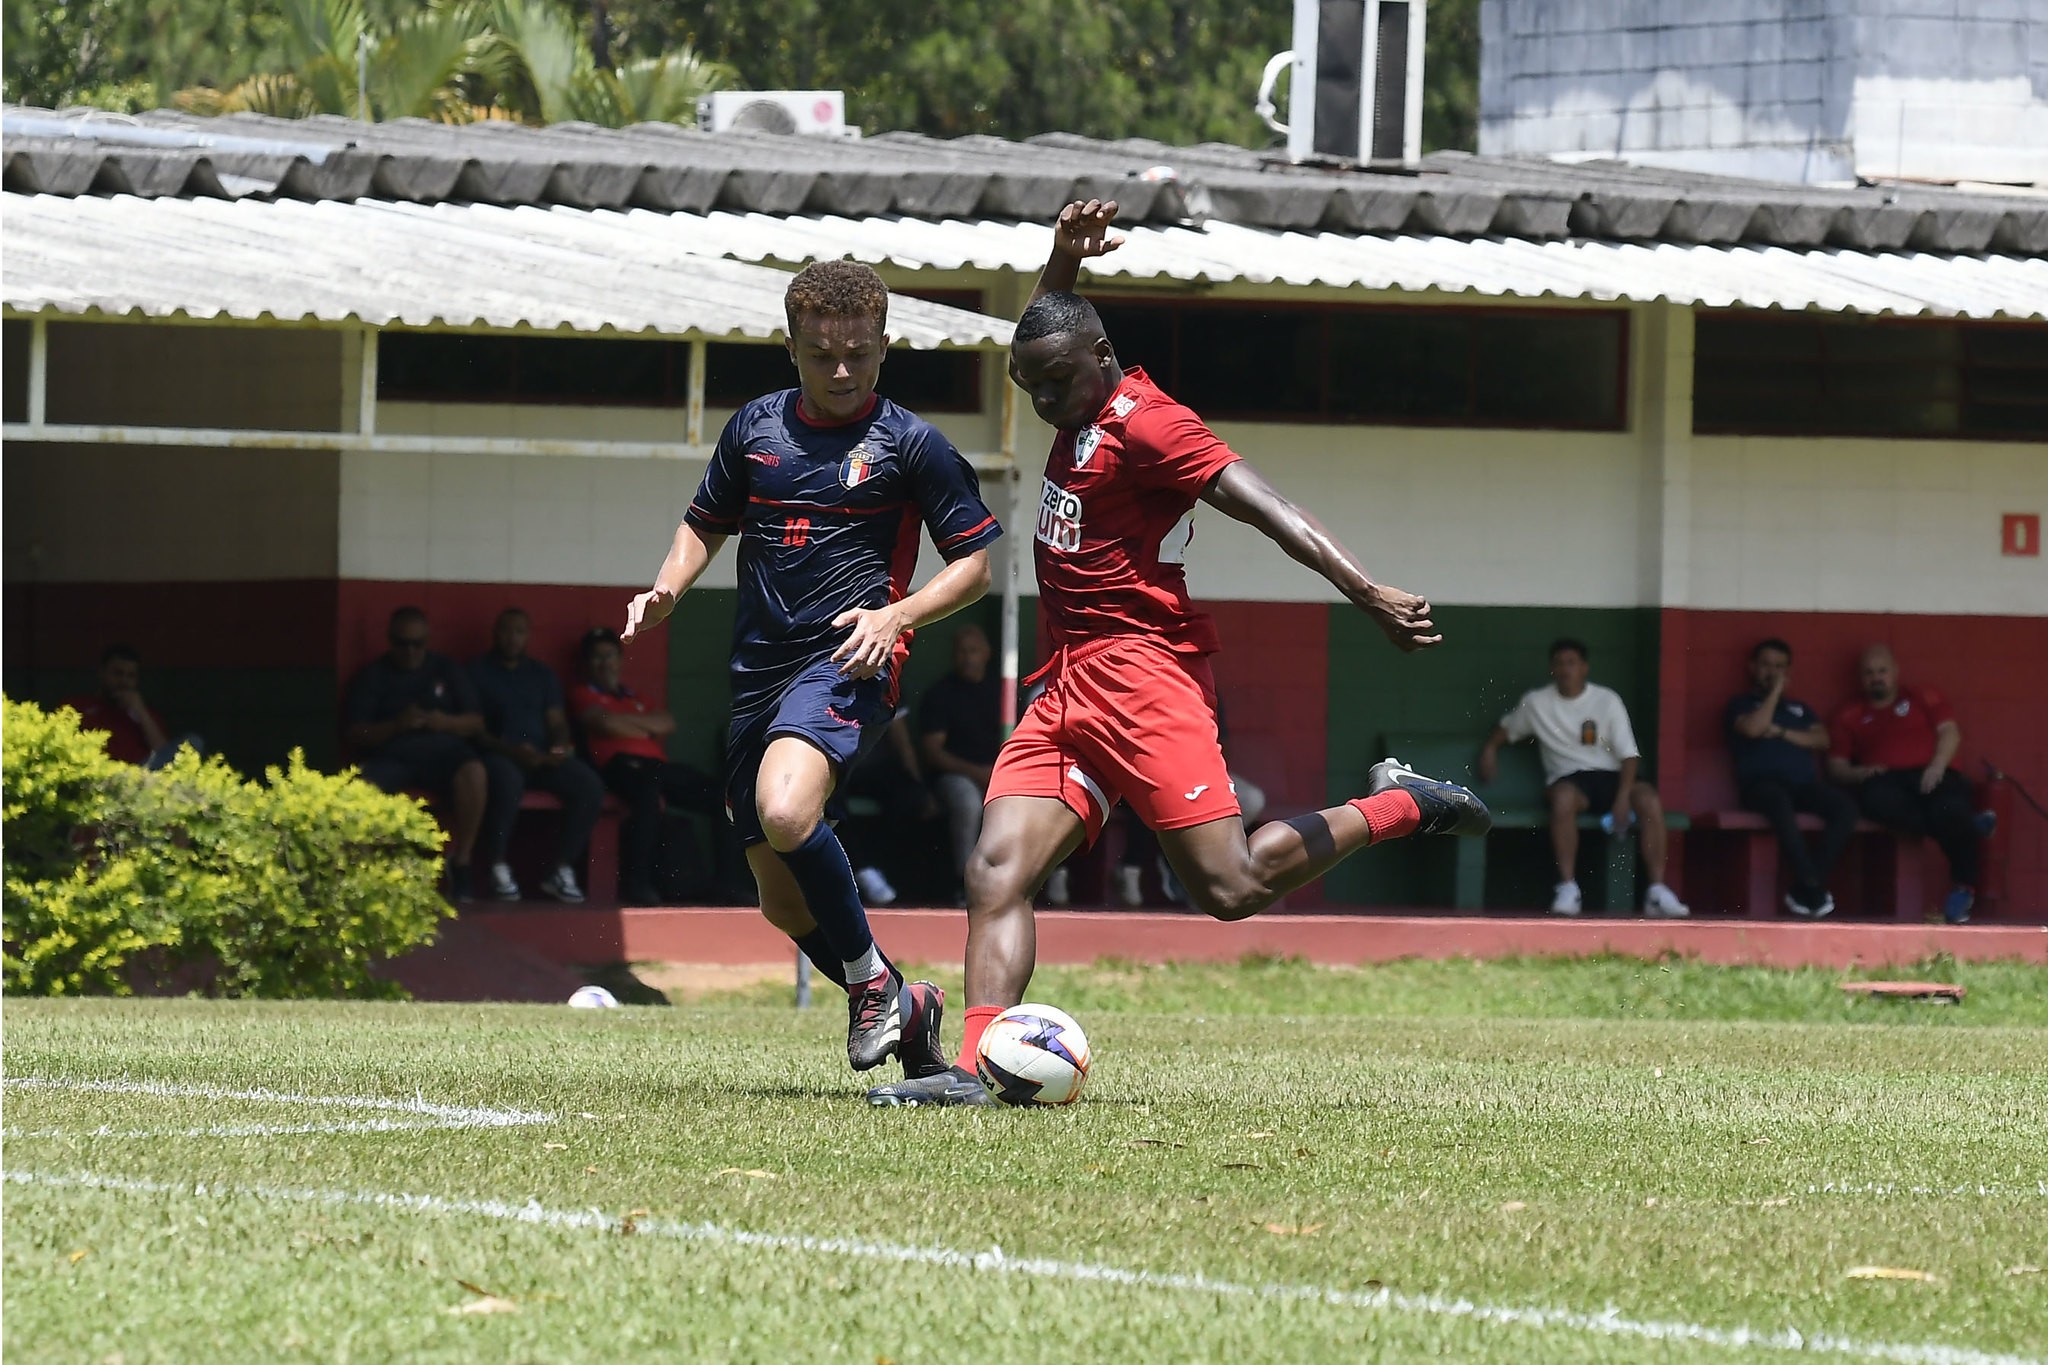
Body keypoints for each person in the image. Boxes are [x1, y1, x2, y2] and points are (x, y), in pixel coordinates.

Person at [868, 200, 1489, 1108]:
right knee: (995, 868)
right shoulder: (1071, 376)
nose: (1041, 405)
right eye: (1030, 386)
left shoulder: (1151, 425)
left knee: (1229, 885)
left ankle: (1401, 803)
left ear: (1101, 362)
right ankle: (974, 1069)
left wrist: (1368, 592)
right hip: (1067, 680)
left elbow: (1267, 504)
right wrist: (1061, 263)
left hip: (1144, 674)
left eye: (1051, 387)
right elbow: (1052, 332)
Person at [620, 260, 1003, 1078]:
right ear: (789, 347)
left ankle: (868, 986)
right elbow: (703, 524)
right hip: (757, 674)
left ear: (884, 347)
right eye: (823, 353)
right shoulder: (754, 429)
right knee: (780, 899)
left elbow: (975, 564)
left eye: (859, 354)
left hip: (849, 659)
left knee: (789, 811)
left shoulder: (910, 443)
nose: (841, 370)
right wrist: (667, 586)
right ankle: (904, 1002)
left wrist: (896, 615)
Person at [1477, 638, 1689, 918]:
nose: (1566, 669)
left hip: (1611, 777)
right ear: (1552, 669)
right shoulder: (1537, 702)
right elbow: (1506, 729)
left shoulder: (1607, 699)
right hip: (1569, 780)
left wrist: (1623, 799)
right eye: (1560, 663)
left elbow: (1629, 756)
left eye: (1572, 663)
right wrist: (1491, 749)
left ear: (1584, 668)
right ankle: (1568, 888)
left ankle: (1657, 892)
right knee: (1562, 799)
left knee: (1649, 799)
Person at [1827, 644, 1995, 924]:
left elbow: (1950, 732)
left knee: (1949, 809)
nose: (1876, 677)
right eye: (1869, 673)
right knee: (1880, 803)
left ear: (1895, 672)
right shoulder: (1848, 715)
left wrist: (1937, 766)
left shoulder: (1922, 696)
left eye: (1882, 671)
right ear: (1860, 678)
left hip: (1934, 774)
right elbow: (1836, 768)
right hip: (1885, 782)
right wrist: (1860, 773)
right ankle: (1970, 824)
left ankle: (1964, 888)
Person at [571, 628, 739, 906]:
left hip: (655, 767)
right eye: (597, 657)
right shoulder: (582, 693)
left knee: (721, 796)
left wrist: (623, 723)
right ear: (587, 663)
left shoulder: (633, 697)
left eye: (609, 656)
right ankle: (639, 886)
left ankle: (728, 886)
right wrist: (641, 727)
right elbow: (604, 724)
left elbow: (666, 723)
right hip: (616, 768)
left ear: (620, 660)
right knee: (647, 795)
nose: (604, 663)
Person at [343, 606, 492, 901]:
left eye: (418, 643)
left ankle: (461, 862)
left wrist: (442, 722)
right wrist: (397, 725)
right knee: (359, 790)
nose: (410, 651)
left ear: (428, 640)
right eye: (402, 643)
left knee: (475, 772)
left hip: (444, 754)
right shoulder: (374, 675)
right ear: (390, 640)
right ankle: (364, 880)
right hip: (393, 757)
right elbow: (354, 732)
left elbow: (476, 722)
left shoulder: (446, 669)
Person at [467, 607, 604, 904]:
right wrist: (512, 751)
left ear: (528, 635)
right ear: (495, 633)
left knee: (588, 785)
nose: (512, 638)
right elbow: (475, 731)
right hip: (498, 755)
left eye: (519, 631)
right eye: (506, 630)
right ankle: (497, 865)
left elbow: (556, 722)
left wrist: (557, 747)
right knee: (507, 780)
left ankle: (561, 868)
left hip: (540, 758)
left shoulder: (541, 674)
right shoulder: (476, 672)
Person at [1725, 637, 1856, 917]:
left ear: (1788, 671)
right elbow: (1753, 729)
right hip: (1760, 786)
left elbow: (1822, 740)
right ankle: (1811, 883)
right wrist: (1775, 694)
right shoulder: (1740, 704)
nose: (1771, 672)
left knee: (1844, 808)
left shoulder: (1800, 709)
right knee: (1778, 803)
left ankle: (1809, 882)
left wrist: (1782, 732)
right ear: (1752, 667)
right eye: (1766, 665)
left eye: (1779, 667)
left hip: (1803, 785)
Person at [918, 624, 1004, 900]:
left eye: (974, 651)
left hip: (997, 773)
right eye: (962, 652)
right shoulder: (941, 694)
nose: (968, 657)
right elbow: (933, 752)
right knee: (967, 801)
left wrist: (996, 773)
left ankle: (1007, 886)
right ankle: (967, 886)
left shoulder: (1001, 693)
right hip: (954, 775)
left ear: (986, 653)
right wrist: (977, 773)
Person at [64, 644, 201, 770]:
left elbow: (164, 754)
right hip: (100, 775)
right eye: (118, 673)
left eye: (130, 676)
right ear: (102, 673)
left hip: (141, 778)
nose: (124, 681)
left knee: (194, 742)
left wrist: (141, 714)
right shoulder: (79, 706)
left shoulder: (147, 715)